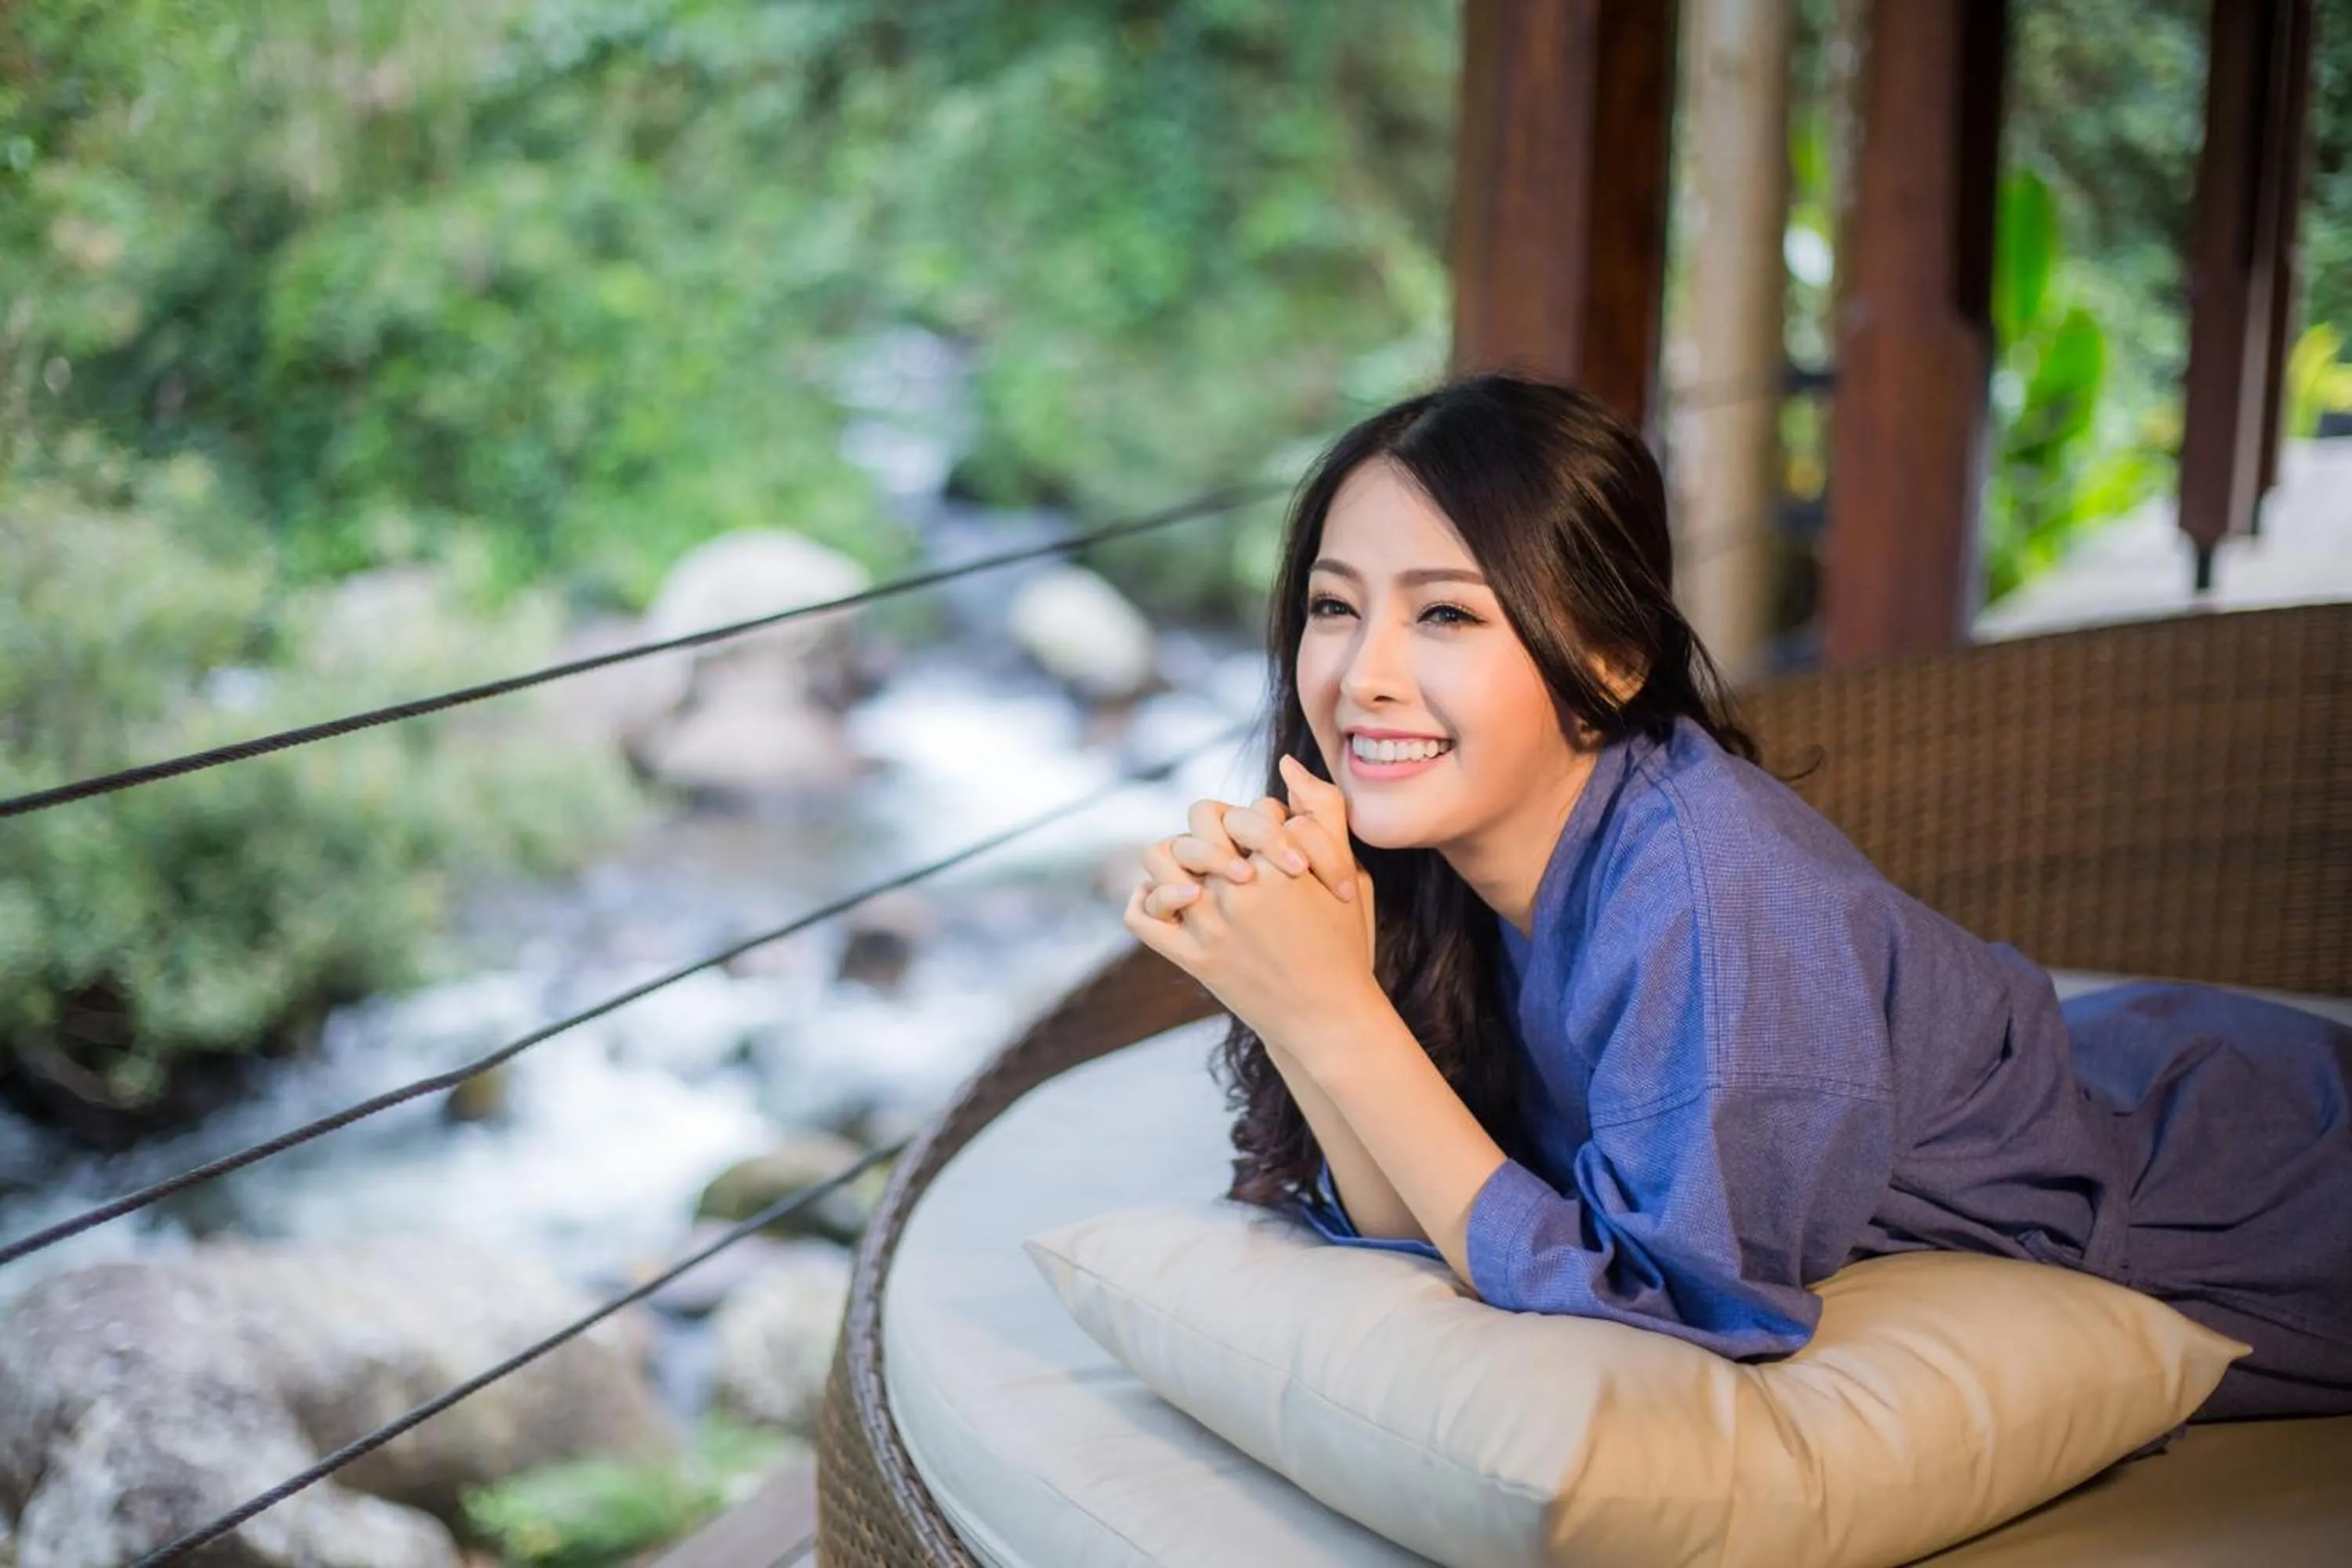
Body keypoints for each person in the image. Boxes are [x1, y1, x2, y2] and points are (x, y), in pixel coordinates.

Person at [1122, 372, 2352, 1421]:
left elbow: (1672, 1307)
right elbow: (1415, 1222)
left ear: (1609, 659)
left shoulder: (1710, 902)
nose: (1364, 674)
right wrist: (1302, 999)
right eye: (1335, 607)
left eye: (1446, 612)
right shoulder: (1444, 859)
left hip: (2258, 1195)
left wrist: (1335, 1016)